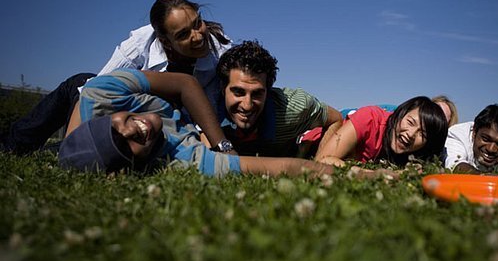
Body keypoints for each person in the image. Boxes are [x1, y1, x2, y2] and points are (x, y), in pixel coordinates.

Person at [59, 69, 395, 180]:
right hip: (195, 128)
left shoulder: (100, 95)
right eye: (128, 144)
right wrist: (365, 175)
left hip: (180, 103)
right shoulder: (182, 159)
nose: (137, 129)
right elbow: (281, 168)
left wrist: (222, 143)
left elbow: (186, 85)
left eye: (117, 127)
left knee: (370, 114)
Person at [1, 0, 232, 155]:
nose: (198, 36)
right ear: (166, 42)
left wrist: (221, 148)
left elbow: (209, 111)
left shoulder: (219, 55)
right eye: (183, 34)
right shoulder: (141, 42)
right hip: (125, 108)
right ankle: (13, 145)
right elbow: (96, 90)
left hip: (165, 120)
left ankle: (61, 149)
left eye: (197, 23)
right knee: (79, 81)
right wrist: (72, 145)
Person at [215, 40, 343, 157]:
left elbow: (335, 118)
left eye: (257, 94)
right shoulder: (208, 109)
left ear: (268, 91)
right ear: (222, 88)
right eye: (238, 92)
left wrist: (320, 161)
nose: (247, 105)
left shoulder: (295, 109)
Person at [312, 97, 449, 167]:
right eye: (410, 122)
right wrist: (367, 173)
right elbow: (323, 160)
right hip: (307, 144)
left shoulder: (414, 156)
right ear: (400, 114)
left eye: (422, 134)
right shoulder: (370, 118)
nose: (411, 134)